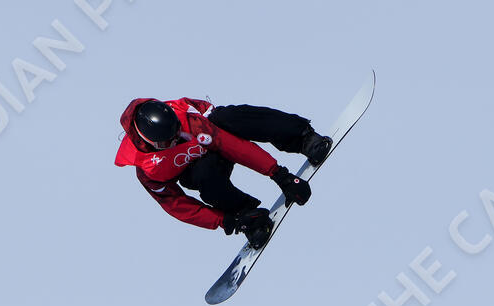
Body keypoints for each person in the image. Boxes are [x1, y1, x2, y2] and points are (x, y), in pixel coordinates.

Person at [114, 96, 332, 249]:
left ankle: (303, 139)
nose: (174, 140)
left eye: (176, 133)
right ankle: (246, 214)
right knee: (202, 174)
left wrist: (279, 175)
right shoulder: (148, 169)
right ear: (149, 142)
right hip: (202, 165)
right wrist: (227, 220)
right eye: (166, 143)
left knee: (228, 117)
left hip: (216, 132)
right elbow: (177, 206)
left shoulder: (188, 122)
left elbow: (232, 146)